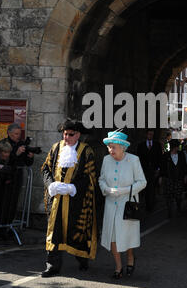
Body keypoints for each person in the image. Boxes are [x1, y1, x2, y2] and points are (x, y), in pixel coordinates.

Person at [41, 119, 97, 278]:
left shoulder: (86, 151)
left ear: (78, 135)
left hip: (76, 201)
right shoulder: (55, 148)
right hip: (57, 200)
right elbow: (45, 168)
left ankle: (82, 259)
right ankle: (52, 265)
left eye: (70, 134)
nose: (66, 137)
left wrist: (73, 187)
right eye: (64, 134)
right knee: (54, 231)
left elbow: (90, 175)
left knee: (76, 232)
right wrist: (50, 184)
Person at [99, 130, 147, 279]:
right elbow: (101, 179)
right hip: (110, 204)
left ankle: (131, 257)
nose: (110, 150)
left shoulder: (133, 160)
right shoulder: (106, 160)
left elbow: (142, 182)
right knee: (113, 237)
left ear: (122, 147)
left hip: (127, 204)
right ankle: (118, 266)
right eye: (109, 147)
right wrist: (106, 189)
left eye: (113, 147)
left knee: (126, 236)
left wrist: (125, 191)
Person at [159, 139, 187, 216]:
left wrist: (185, 175)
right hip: (169, 178)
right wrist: (161, 176)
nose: (178, 148)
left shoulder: (181, 155)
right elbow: (162, 167)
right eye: (177, 147)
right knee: (169, 196)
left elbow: (184, 166)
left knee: (178, 195)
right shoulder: (166, 155)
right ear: (174, 147)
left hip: (179, 178)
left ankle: (178, 207)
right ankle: (169, 211)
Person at [137, 129, 162, 212]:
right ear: (146, 135)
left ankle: (151, 205)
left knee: (152, 188)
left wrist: (158, 169)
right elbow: (139, 158)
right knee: (146, 188)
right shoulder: (141, 146)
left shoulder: (157, 145)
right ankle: (147, 204)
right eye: (149, 134)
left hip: (154, 170)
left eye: (152, 134)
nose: (150, 136)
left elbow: (159, 158)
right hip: (144, 170)